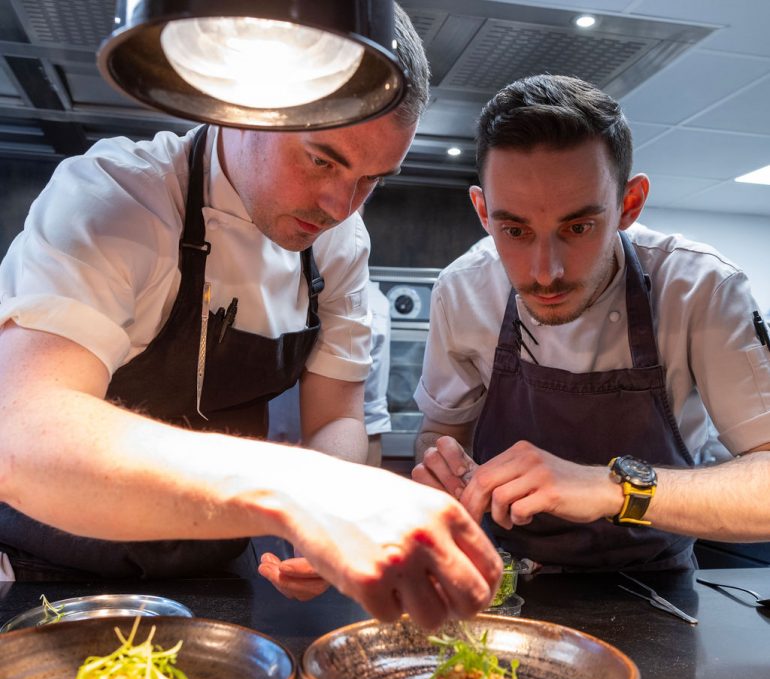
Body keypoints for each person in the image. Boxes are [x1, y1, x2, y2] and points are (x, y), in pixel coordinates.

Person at [0, 6, 501, 629]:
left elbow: (338, 415)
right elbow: (26, 437)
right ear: (243, 107)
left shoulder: (340, 243)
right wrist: (302, 494)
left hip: (216, 568)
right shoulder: (116, 196)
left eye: (371, 179)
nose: (340, 205)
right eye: (323, 160)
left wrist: (327, 515)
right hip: (49, 571)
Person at [412, 74, 770, 572]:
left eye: (578, 227)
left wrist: (611, 486)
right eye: (513, 230)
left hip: (656, 581)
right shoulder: (463, 290)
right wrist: (440, 465)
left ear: (629, 204)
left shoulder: (701, 287)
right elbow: (440, 434)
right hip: (506, 577)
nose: (545, 272)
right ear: (482, 211)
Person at [259, 278, 391, 599]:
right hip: (242, 496)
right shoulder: (253, 292)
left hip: (320, 502)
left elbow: (362, 424)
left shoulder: (372, 311)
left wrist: (343, 520)